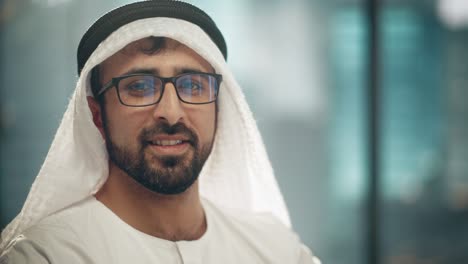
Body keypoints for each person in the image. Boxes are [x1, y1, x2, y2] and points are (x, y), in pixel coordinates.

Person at [0, 1, 321, 263]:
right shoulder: (45, 255)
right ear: (98, 116)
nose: (171, 112)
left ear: (219, 109)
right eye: (139, 86)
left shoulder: (278, 250)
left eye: (194, 85)